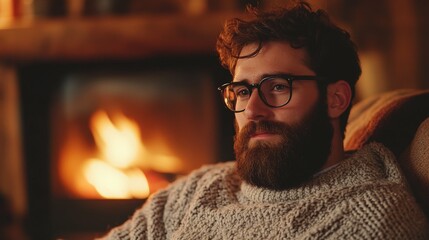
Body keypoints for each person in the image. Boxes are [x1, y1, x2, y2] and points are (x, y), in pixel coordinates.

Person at [101, 1, 428, 239]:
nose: (253, 110)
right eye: (242, 91)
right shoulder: (199, 188)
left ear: (336, 99)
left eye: (278, 87)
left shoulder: (370, 222)